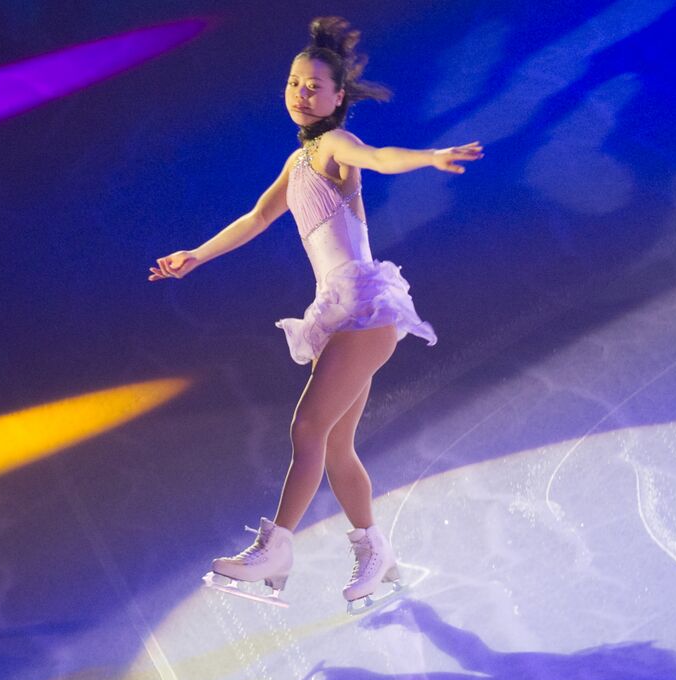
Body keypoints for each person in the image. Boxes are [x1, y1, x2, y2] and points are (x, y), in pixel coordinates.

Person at [149, 16, 482, 609]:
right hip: (344, 311)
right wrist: (194, 256)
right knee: (333, 447)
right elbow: (256, 219)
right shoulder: (297, 162)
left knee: (307, 428)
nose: (301, 92)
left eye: (313, 85)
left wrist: (430, 155)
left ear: (337, 98)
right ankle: (375, 550)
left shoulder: (334, 146)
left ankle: (277, 547)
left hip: (366, 307)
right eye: (294, 82)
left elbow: (378, 157)